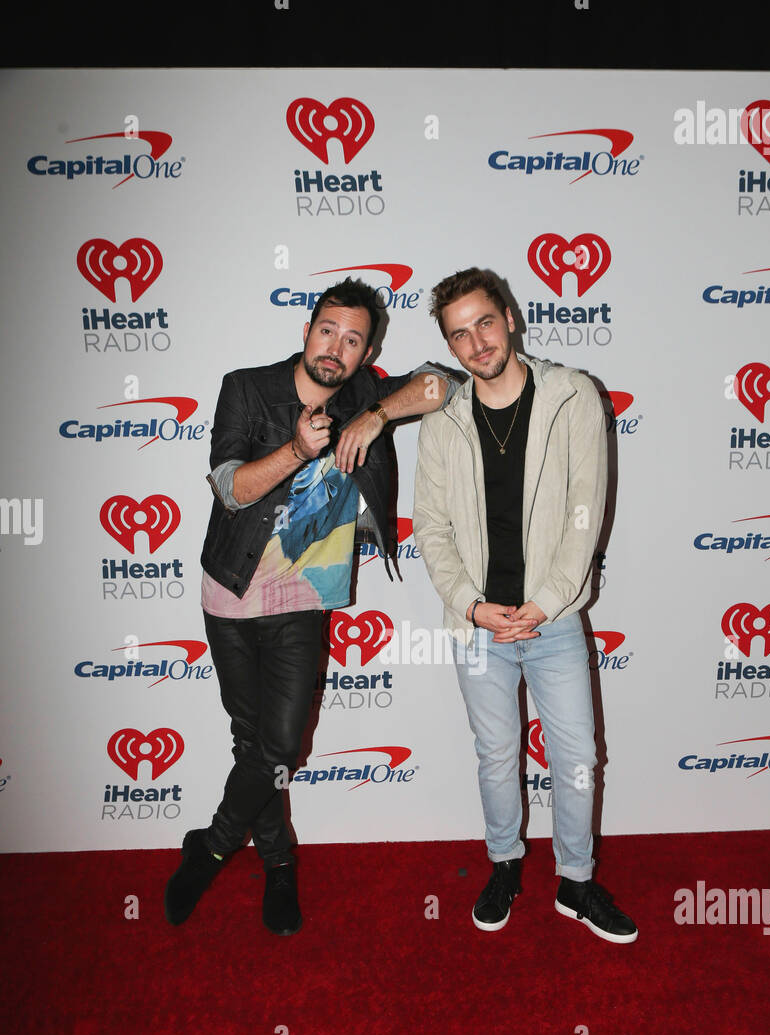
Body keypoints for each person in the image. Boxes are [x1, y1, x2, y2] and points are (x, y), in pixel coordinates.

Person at [164, 277, 453, 935]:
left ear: (366, 350)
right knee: (253, 742)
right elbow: (230, 488)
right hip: (233, 588)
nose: (337, 347)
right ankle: (278, 864)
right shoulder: (247, 386)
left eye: (354, 339)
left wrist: (377, 415)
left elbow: (445, 384)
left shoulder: (367, 392)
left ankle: (210, 848)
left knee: (280, 746)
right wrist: (297, 449)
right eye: (328, 331)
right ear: (306, 331)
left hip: (302, 597)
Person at [413, 267, 636, 942]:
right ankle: (505, 865)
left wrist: (542, 604)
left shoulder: (573, 396)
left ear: (510, 317)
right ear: (449, 346)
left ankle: (576, 880)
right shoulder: (442, 420)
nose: (476, 343)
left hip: (555, 620)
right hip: (478, 625)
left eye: (485, 322)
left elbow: (584, 516)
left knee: (577, 758)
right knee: (496, 754)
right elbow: (430, 527)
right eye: (459, 334)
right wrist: (473, 606)